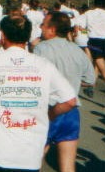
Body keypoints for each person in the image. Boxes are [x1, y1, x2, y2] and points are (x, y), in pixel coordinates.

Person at [0, 9, 77, 172]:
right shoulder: (43, 65)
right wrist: (50, 115)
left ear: (3, 36)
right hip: (29, 154)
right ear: (28, 36)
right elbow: (70, 101)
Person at [34, 12, 96, 172]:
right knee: (68, 166)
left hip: (48, 109)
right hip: (71, 112)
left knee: (33, 161)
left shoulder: (40, 48)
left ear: (52, 29)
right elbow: (90, 80)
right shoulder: (77, 51)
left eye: (44, 24)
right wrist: (73, 82)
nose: (41, 27)